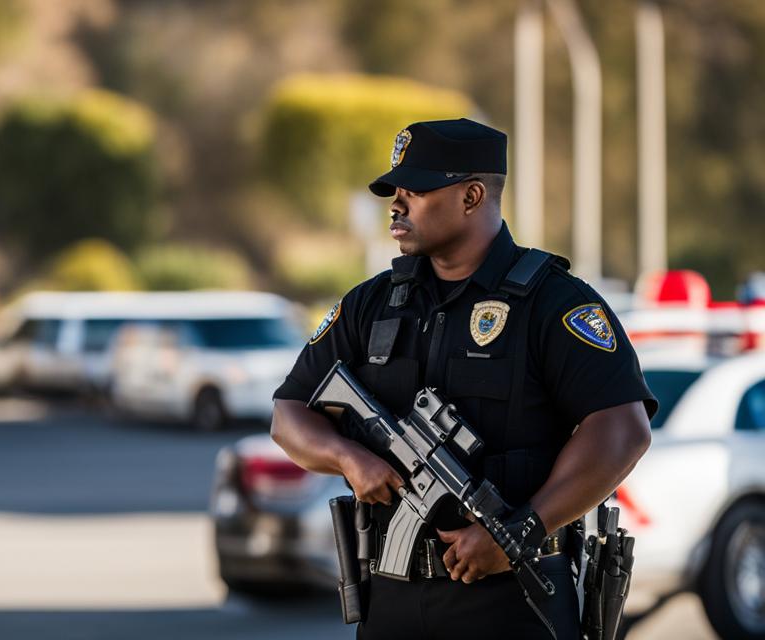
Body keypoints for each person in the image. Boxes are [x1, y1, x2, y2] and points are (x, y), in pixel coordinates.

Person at [270, 118, 657, 639]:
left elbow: (622, 430)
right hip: (392, 597)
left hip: (515, 598)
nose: (397, 204)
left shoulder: (554, 302)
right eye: (395, 191)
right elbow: (289, 413)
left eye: (417, 190)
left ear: (473, 195)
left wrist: (520, 530)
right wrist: (348, 457)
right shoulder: (373, 302)